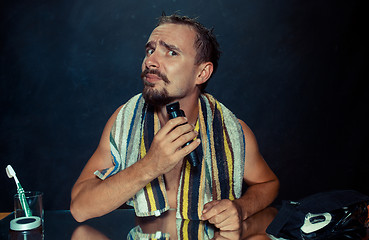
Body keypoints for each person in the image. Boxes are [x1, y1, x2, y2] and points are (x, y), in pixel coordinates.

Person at [70, 14, 279, 231]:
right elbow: (79, 208)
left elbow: (268, 184)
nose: (150, 61)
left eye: (171, 52)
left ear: (202, 73)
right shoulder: (124, 120)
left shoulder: (233, 132)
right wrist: (150, 165)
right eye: (150, 50)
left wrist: (241, 208)